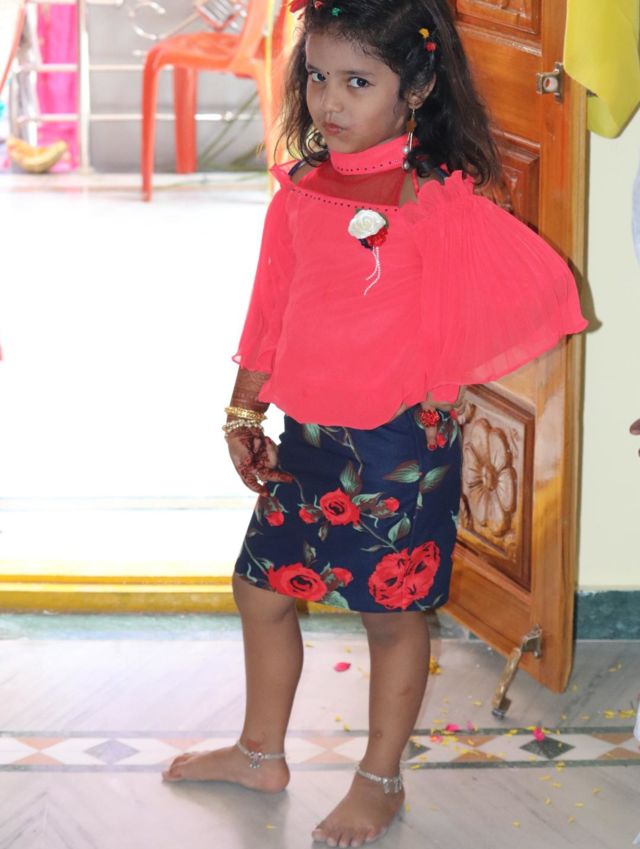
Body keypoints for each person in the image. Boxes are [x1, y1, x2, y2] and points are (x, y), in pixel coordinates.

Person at [162, 0, 587, 846]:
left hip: (397, 447)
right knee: (261, 589)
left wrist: (441, 378)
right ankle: (259, 752)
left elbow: (529, 288)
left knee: (389, 616)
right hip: (310, 439)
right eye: (318, 76)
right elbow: (269, 311)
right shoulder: (300, 188)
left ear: (416, 88)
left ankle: (379, 776)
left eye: (358, 82)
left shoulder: (434, 201)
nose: (329, 100)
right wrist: (244, 410)